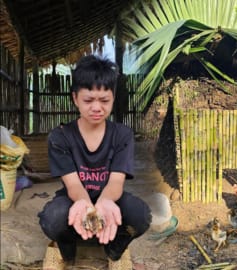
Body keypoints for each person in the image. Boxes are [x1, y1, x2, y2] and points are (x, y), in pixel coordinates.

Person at [38, 55, 152, 269]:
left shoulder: (122, 135)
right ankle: (68, 249)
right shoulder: (60, 137)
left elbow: (116, 182)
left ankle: (113, 249)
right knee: (51, 218)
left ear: (113, 97)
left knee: (141, 216)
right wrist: (85, 205)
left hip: (111, 198)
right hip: (75, 199)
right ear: (75, 98)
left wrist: (104, 202)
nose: (97, 107)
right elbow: (72, 184)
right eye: (89, 100)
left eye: (104, 100)